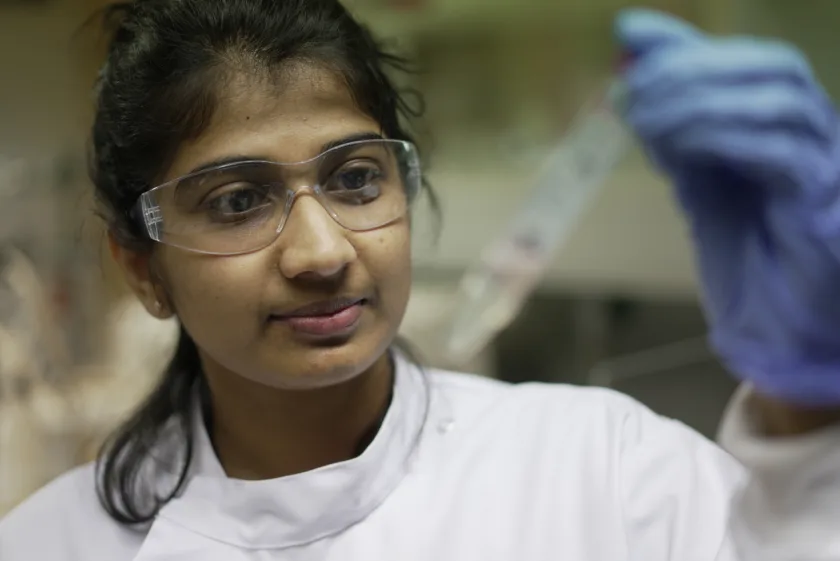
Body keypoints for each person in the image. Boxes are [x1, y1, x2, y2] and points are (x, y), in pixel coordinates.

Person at [1, 1, 839, 559]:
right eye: (239, 201)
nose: (322, 252)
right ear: (144, 269)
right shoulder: (52, 544)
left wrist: (806, 414)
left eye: (355, 178)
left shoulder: (610, 472)